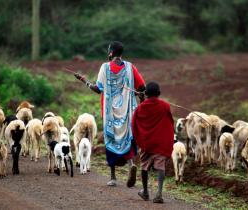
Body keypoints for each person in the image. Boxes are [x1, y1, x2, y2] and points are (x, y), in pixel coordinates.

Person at [74, 41, 145, 187]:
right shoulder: (130, 67)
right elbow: (142, 86)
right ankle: (131, 163)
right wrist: (140, 94)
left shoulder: (105, 67)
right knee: (127, 139)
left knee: (111, 141)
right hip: (127, 114)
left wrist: (85, 81)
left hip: (110, 115)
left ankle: (113, 177)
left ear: (111, 53)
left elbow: (98, 88)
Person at [132, 82, 174, 203]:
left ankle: (145, 192)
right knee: (160, 166)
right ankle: (159, 194)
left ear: (146, 93)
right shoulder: (165, 106)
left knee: (144, 166)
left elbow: (134, 123)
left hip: (147, 143)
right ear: (159, 93)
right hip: (161, 142)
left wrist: (138, 139)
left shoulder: (140, 107)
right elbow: (170, 122)